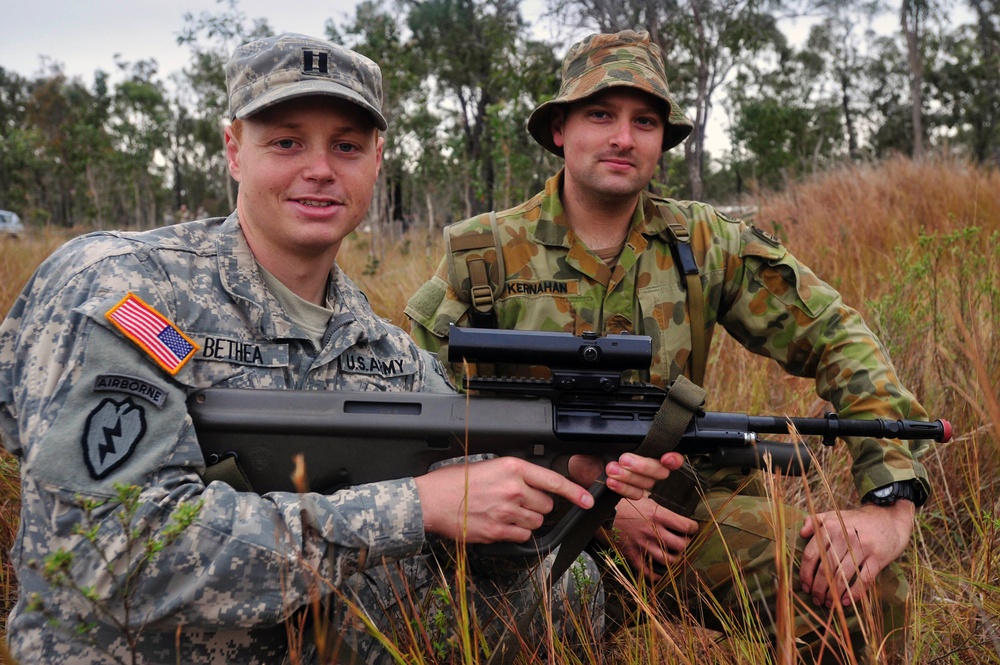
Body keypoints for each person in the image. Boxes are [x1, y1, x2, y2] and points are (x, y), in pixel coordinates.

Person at [0, 33, 682, 664]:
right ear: (235, 149)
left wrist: (568, 487)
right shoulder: (123, 287)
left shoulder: (387, 351)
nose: (321, 170)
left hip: (321, 640)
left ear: (377, 161)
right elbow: (106, 555)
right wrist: (415, 506)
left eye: (348, 147)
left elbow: (483, 562)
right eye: (288, 143)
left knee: (577, 591)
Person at [405, 29, 932, 662]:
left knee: (858, 586)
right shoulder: (481, 254)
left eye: (645, 121)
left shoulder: (706, 243)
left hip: (682, 511)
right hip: (525, 517)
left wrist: (891, 498)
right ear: (559, 131)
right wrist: (590, 499)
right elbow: (420, 417)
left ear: (662, 141)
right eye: (600, 114)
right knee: (436, 627)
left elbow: (837, 337)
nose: (623, 137)